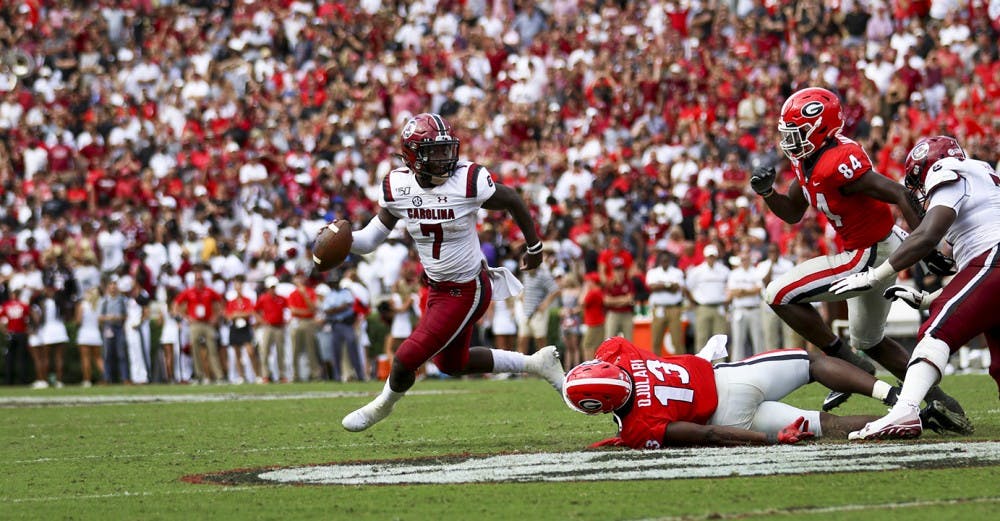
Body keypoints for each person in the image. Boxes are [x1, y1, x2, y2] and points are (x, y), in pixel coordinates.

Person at [339, 112, 564, 432]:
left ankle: (381, 406)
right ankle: (537, 363)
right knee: (452, 363)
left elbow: (512, 198)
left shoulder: (467, 180)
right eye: (434, 152)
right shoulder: (398, 186)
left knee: (406, 357)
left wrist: (535, 246)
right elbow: (370, 240)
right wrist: (343, 239)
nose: (445, 158)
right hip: (437, 288)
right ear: (412, 156)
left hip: (467, 288)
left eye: (447, 149)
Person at [750, 87, 967, 419]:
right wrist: (768, 193)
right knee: (870, 341)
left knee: (777, 294)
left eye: (797, 131)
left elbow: (898, 193)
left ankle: (844, 360)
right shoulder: (810, 160)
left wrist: (925, 243)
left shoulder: (835, 163)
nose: (790, 140)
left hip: (867, 253)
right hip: (874, 248)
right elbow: (793, 212)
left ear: (820, 128)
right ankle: (941, 402)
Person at [830, 136, 992, 439]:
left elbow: (928, 235)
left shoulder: (948, 169)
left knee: (935, 333)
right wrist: (931, 298)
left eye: (919, 180)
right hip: (990, 264)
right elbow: (980, 282)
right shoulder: (982, 176)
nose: (921, 192)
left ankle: (905, 411)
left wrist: (875, 276)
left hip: (993, 259)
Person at [562, 336, 917, 449]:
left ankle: (907, 422)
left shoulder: (637, 428)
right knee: (813, 364)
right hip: (731, 379)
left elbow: (707, 434)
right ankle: (898, 399)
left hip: (727, 418)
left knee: (827, 424)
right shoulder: (620, 353)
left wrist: (770, 439)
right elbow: (607, 352)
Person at [173, 266, 224, 384]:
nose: (199, 282)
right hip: (195, 323)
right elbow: (176, 304)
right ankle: (199, 375)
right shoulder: (189, 292)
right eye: (197, 280)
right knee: (194, 349)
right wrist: (186, 317)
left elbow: (221, 302)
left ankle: (219, 376)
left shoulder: (209, 291)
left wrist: (216, 317)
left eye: (201, 280)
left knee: (212, 349)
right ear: (194, 281)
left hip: (207, 323)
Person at [685, 244, 730, 355]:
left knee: (719, 337)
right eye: (709, 256)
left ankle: (719, 362)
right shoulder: (697, 271)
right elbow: (688, 288)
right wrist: (693, 302)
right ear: (705, 257)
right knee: (702, 337)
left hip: (719, 306)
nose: (711, 259)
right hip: (703, 307)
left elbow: (729, 287)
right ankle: (701, 361)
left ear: (716, 257)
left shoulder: (724, 270)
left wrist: (727, 302)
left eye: (713, 256)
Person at [726, 247, 765, 360]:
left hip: (754, 309)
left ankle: (760, 362)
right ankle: (736, 364)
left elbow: (758, 289)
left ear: (749, 260)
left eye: (746, 259)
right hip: (739, 309)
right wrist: (749, 291)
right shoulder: (734, 273)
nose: (744, 261)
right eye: (742, 259)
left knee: (758, 339)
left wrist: (742, 291)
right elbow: (732, 291)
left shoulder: (756, 271)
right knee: (738, 340)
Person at [646, 251, 686, 355]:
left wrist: (661, 284)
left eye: (666, 260)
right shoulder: (653, 272)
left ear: (670, 261)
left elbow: (676, 288)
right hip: (658, 308)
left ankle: (681, 363)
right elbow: (652, 287)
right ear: (659, 261)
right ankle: (655, 362)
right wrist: (669, 285)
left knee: (677, 340)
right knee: (656, 340)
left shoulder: (677, 272)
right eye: (663, 260)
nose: (665, 262)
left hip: (674, 309)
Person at [254, 276, 288, 383]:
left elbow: (288, 309)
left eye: (274, 287)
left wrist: (287, 320)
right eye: (271, 287)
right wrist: (261, 321)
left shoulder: (281, 298)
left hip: (279, 327)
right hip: (268, 327)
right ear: (267, 288)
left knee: (281, 352)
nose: (273, 289)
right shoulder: (263, 298)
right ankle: (266, 375)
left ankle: (282, 375)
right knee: (265, 351)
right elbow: (255, 311)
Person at [98, 277, 129, 384]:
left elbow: (126, 315)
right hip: (108, 328)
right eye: (111, 285)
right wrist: (108, 318)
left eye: (114, 284)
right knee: (107, 354)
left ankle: (125, 378)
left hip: (119, 328)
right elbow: (100, 317)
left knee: (121, 354)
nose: (113, 287)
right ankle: (107, 378)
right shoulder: (105, 300)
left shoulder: (122, 300)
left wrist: (118, 318)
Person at [75, 287, 105, 387]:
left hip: (84, 334)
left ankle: (87, 380)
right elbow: (100, 321)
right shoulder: (98, 305)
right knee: (98, 359)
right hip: (96, 334)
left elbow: (78, 321)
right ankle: (106, 378)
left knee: (85, 359)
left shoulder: (83, 305)